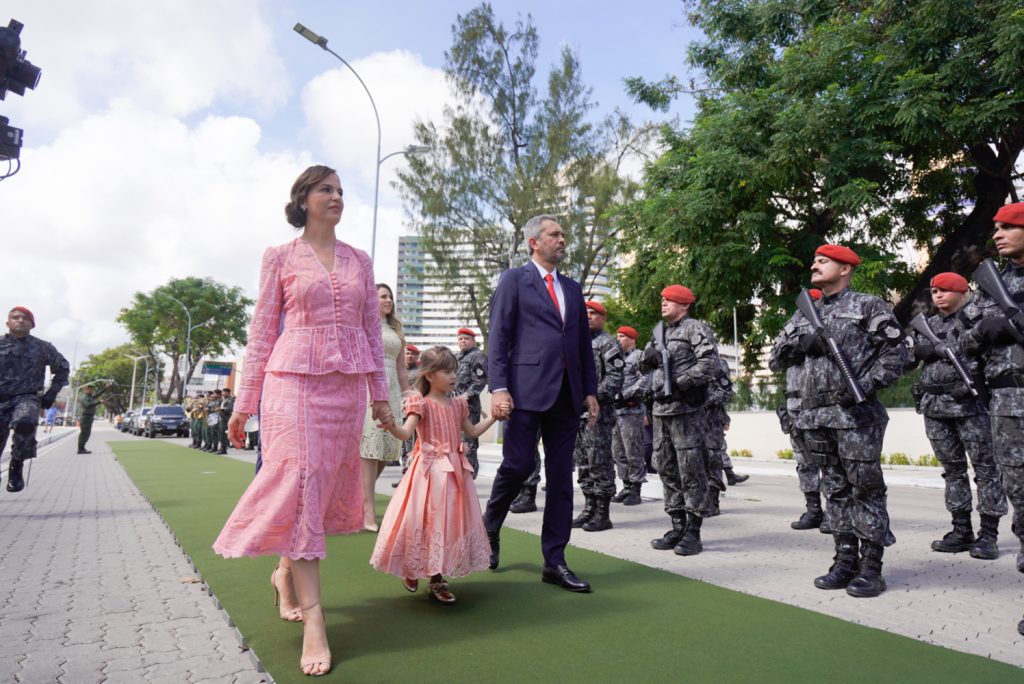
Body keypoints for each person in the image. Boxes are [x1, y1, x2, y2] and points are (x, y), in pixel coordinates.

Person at [214, 164, 392, 677]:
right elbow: (261, 332)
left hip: (344, 391)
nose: (336, 196)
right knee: (301, 477)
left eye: (340, 190)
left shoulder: (360, 259)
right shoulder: (280, 257)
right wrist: (242, 403)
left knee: (314, 491)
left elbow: (368, 334)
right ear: (304, 199)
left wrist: (379, 397)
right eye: (325, 189)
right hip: (290, 381)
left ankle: (284, 574)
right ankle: (316, 621)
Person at [771, 245, 910, 598]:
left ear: (845, 268)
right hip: (815, 417)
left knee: (864, 488)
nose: (814, 265)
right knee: (834, 489)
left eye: (824, 261)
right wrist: (802, 342)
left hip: (855, 415)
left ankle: (871, 567)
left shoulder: (868, 306)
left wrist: (865, 385)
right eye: (814, 259)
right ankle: (844, 559)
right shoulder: (804, 312)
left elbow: (898, 353)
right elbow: (775, 357)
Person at [482, 214, 599, 593]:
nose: (562, 239)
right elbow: (498, 336)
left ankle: (555, 560)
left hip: (566, 395)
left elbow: (582, 345)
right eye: (555, 234)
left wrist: (590, 391)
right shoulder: (514, 280)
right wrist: (498, 388)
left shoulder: (572, 287)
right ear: (534, 242)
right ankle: (489, 526)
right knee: (517, 465)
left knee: (562, 477)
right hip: (524, 391)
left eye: (563, 234)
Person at [371, 346, 498, 604]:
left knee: (448, 523)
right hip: (427, 474)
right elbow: (407, 434)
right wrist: (392, 426)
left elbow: (472, 431)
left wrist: (494, 417)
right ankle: (412, 567)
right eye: (446, 371)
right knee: (423, 521)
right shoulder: (420, 403)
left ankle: (436, 578)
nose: (453, 376)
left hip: (454, 474)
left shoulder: (458, 405)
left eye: (454, 370)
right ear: (429, 375)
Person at [959, 202, 1024, 635]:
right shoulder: (991, 286)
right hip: (1006, 405)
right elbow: (963, 339)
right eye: (996, 227)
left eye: (1008, 227)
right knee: (1021, 498)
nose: (997, 233)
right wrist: (983, 331)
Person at [912, 273, 1004, 558]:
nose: (937, 295)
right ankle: (961, 529)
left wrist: (978, 385)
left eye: (944, 290)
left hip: (972, 407)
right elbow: (907, 355)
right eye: (934, 291)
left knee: (986, 470)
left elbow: (997, 358)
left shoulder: (978, 318)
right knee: (952, 471)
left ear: (962, 291)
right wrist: (924, 349)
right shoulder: (927, 323)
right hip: (936, 407)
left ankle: (988, 535)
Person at [640, 285, 721, 557]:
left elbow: (710, 363)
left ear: (684, 305)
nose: (663, 303)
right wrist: (645, 358)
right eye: (662, 299)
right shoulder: (659, 333)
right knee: (666, 469)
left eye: (669, 300)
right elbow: (644, 368)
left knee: (692, 471)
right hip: (660, 412)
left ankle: (693, 531)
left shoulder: (694, 329)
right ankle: (676, 525)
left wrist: (680, 383)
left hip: (686, 411)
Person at [769, 289, 825, 530]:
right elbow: (773, 362)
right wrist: (794, 348)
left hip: (825, 403)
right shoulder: (790, 327)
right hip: (795, 405)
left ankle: (836, 512)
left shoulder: (831, 320)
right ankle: (813, 509)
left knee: (831, 461)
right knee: (804, 461)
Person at [0, 306, 69, 492]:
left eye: (25, 318)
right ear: (8, 323)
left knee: (25, 422)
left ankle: (16, 464)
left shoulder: (43, 347)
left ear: (32, 324)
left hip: (26, 397)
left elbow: (63, 368)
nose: (20, 320)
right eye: (15, 317)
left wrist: (51, 393)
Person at [359, 283, 409, 531]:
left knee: (386, 451)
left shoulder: (397, 332)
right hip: (369, 388)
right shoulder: (364, 326)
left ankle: (358, 501)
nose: (388, 300)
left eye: (389, 296)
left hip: (393, 391)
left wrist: (408, 393)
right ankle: (367, 510)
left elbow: (402, 369)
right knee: (370, 449)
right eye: (382, 296)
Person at [571, 301, 624, 532]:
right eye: (586, 313)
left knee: (599, 462)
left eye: (594, 313)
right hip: (577, 413)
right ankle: (589, 507)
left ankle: (603, 513)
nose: (589, 316)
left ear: (603, 318)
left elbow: (614, 379)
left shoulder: (608, 343)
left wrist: (591, 396)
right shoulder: (577, 342)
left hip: (598, 413)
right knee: (583, 463)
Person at [611, 325, 648, 506]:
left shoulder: (639, 356)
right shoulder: (616, 358)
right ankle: (626, 486)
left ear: (631, 338)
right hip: (615, 412)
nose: (617, 339)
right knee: (618, 452)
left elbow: (645, 380)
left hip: (631, 411)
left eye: (621, 336)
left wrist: (624, 395)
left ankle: (636, 489)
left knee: (633, 451)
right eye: (617, 336)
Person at [701, 358, 736, 516]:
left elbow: (726, 393)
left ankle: (712, 501)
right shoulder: (685, 361)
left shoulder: (717, 364)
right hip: (689, 419)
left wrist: (703, 401)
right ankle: (698, 500)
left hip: (711, 419)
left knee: (712, 459)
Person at [455, 328, 488, 479]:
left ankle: (469, 476)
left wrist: (464, 397)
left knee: (468, 442)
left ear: (473, 341)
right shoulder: (455, 357)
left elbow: (479, 381)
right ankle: (458, 475)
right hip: (453, 406)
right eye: (460, 339)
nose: (463, 341)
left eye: (466, 339)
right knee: (455, 442)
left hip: (469, 407)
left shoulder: (477, 356)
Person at [393, 344, 421, 487]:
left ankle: (414, 478)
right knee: (404, 448)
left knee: (413, 447)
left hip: (415, 413)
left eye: (412, 354)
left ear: (417, 356)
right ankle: (406, 476)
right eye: (407, 353)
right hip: (401, 412)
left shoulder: (420, 373)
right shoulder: (399, 370)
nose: (409, 356)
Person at [77, 381, 111, 453]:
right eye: (89, 389)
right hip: (85, 417)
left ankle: (82, 448)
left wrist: (106, 387)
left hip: (89, 418)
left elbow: (99, 394)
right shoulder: (84, 398)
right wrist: (99, 402)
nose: (91, 390)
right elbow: (87, 405)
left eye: (92, 389)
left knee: (87, 434)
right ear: (86, 390)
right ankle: (80, 448)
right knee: (84, 433)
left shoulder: (91, 397)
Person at [217, 387, 234, 455]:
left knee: (224, 433)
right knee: (221, 432)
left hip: (226, 418)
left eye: (224, 392)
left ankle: (224, 448)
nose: (222, 393)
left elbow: (230, 408)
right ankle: (222, 447)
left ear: (228, 393)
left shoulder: (230, 399)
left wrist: (222, 409)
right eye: (222, 392)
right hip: (222, 417)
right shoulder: (224, 399)